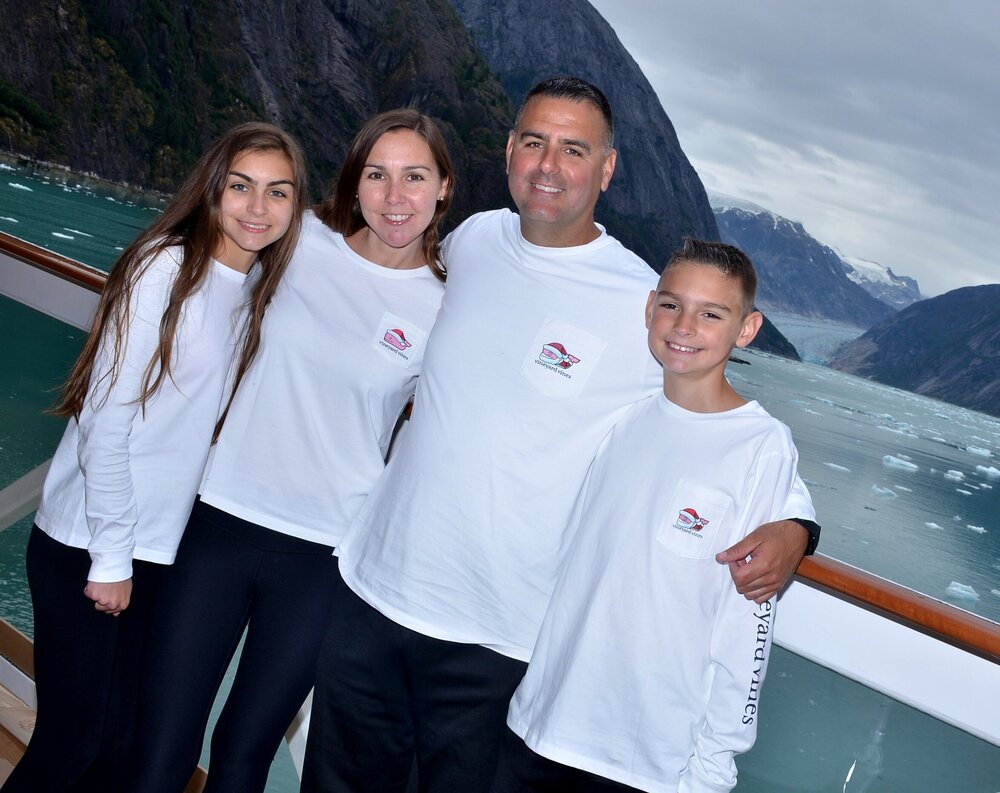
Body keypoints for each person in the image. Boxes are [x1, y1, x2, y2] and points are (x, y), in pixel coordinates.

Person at [304, 77, 819, 792]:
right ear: (511, 151)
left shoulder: (640, 304)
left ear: (605, 170)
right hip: (372, 591)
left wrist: (796, 525)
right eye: (535, 142)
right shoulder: (475, 239)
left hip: (501, 639)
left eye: (573, 149)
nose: (549, 165)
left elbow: (711, 419)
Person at [125, 108, 455, 793]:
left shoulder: (449, 308)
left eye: (414, 177)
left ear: (444, 188)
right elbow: (195, 282)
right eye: (378, 175)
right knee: (161, 744)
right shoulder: (298, 239)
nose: (395, 197)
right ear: (354, 183)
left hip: (325, 553)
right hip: (219, 519)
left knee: (243, 751)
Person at [1, 122, 306, 793]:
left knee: (119, 748)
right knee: (69, 744)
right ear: (212, 189)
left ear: (296, 206)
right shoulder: (165, 268)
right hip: (91, 543)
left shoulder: (255, 293)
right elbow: (106, 420)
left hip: (159, 552)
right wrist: (111, 556)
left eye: (278, 192)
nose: (258, 207)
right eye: (242, 186)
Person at [492, 238, 802, 793]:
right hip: (538, 725)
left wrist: (711, 768)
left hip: (645, 759)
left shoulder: (760, 446)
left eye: (712, 314)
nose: (684, 325)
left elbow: (746, 624)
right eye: (671, 304)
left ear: (747, 329)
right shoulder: (622, 416)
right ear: (649, 308)